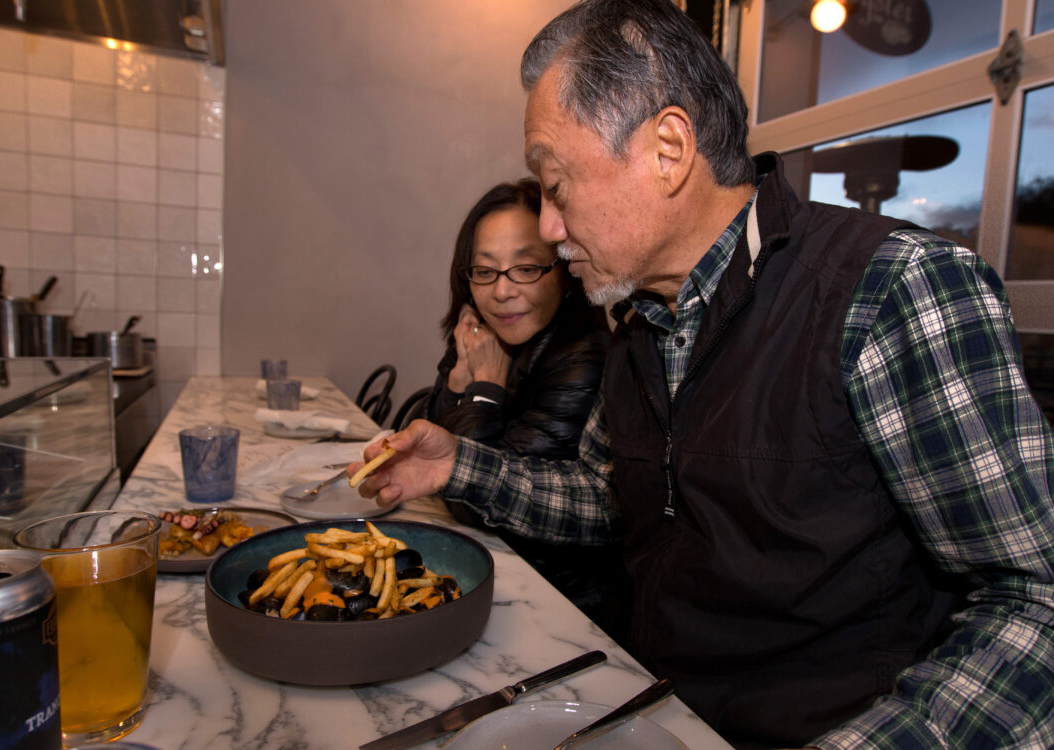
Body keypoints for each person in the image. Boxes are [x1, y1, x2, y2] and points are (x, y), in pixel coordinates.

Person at [350, 1, 1054, 748]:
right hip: (648, 707)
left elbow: (1035, 603)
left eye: (556, 184)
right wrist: (462, 466)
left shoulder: (891, 291)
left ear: (668, 149)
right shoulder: (636, 324)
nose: (550, 230)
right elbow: (609, 502)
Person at [425, 178, 628, 641]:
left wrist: (483, 389)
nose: (501, 291)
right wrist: (457, 380)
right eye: (485, 270)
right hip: (497, 583)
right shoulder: (490, 339)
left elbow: (474, 503)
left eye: (526, 268)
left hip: (565, 614)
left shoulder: (585, 359)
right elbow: (429, 449)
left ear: (565, 272)